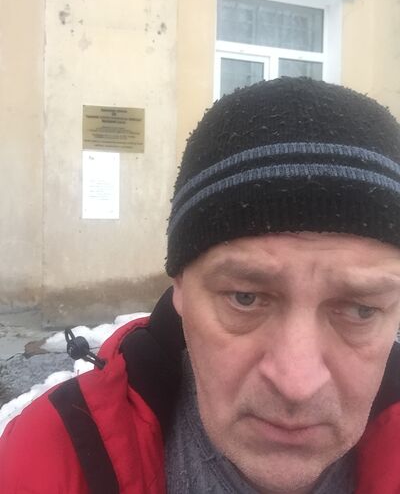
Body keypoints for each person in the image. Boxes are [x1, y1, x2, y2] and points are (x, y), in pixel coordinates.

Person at [2, 77, 400, 494]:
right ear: (179, 286)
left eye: (361, 309)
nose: (296, 384)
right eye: (245, 298)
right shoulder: (46, 461)